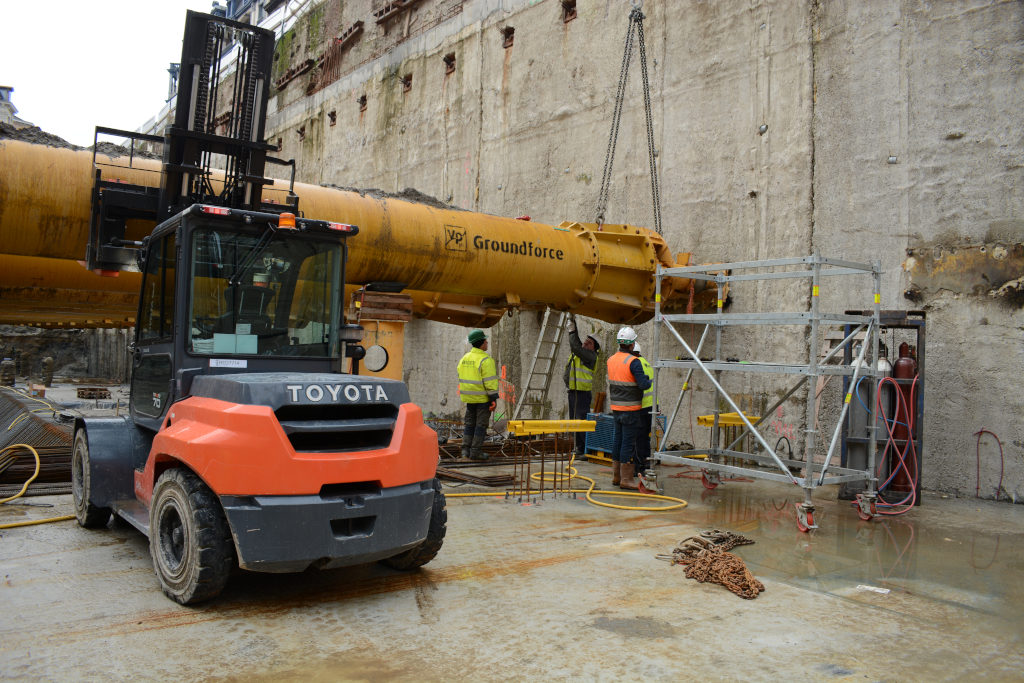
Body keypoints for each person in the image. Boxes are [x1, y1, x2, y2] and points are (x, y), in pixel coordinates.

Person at [606, 326, 651, 489]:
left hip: (616, 408)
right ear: (632, 345)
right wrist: (649, 380)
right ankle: (626, 479)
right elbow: (643, 385)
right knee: (628, 444)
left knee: (617, 441)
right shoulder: (634, 362)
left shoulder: (611, 359)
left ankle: (616, 476)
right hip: (631, 410)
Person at [457, 329, 499, 460]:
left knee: (470, 424)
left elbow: (460, 375)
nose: (487, 342)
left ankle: (465, 451)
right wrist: (493, 399)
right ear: (482, 343)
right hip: (482, 399)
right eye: (486, 340)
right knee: (481, 425)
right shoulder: (486, 360)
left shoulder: (464, 358)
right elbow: (490, 383)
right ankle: (475, 452)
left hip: (469, 399)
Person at [563, 313, 600, 458]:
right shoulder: (580, 354)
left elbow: (576, 346)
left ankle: (585, 449)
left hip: (582, 393)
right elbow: (577, 346)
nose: (585, 344)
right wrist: (574, 322)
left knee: (581, 421)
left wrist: (572, 328)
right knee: (574, 421)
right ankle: (579, 448)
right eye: (585, 341)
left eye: (589, 343)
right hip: (573, 392)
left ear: (594, 348)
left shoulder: (591, 357)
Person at [631, 341, 654, 479]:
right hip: (651, 406)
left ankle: (638, 467)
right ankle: (645, 462)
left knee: (638, 437)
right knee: (645, 437)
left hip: (641, 405)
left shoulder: (636, 364)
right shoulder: (647, 363)